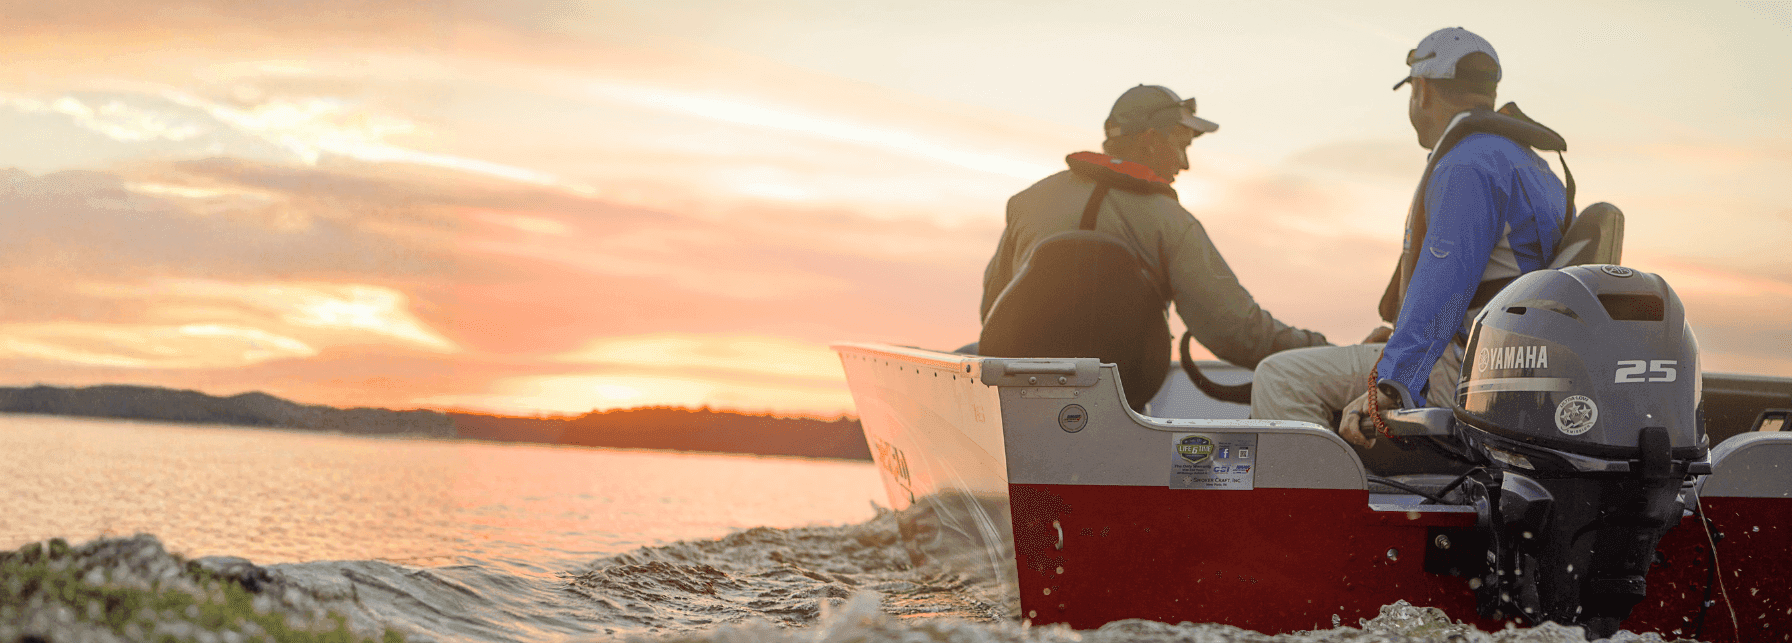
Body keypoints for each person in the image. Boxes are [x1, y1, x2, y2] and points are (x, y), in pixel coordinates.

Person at [1249, 28, 1570, 466]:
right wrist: (1398, 340)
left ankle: (1317, 525)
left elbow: (1445, 288)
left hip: (1468, 369)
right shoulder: (1531, 163)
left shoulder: (1467, 165)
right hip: (1513, 363)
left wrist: (1391, 383)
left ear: (1421, 90)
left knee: (1279, 378)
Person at [980, 85, 1329, 383]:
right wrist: (1326, 353)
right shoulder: (1172, 222)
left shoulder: (1027, 202)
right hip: (1126, 392)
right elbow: (1236, 333)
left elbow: (993, 307)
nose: (1185, 163)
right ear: (1150, 141)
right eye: (1182, 145)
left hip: (1020, 386)